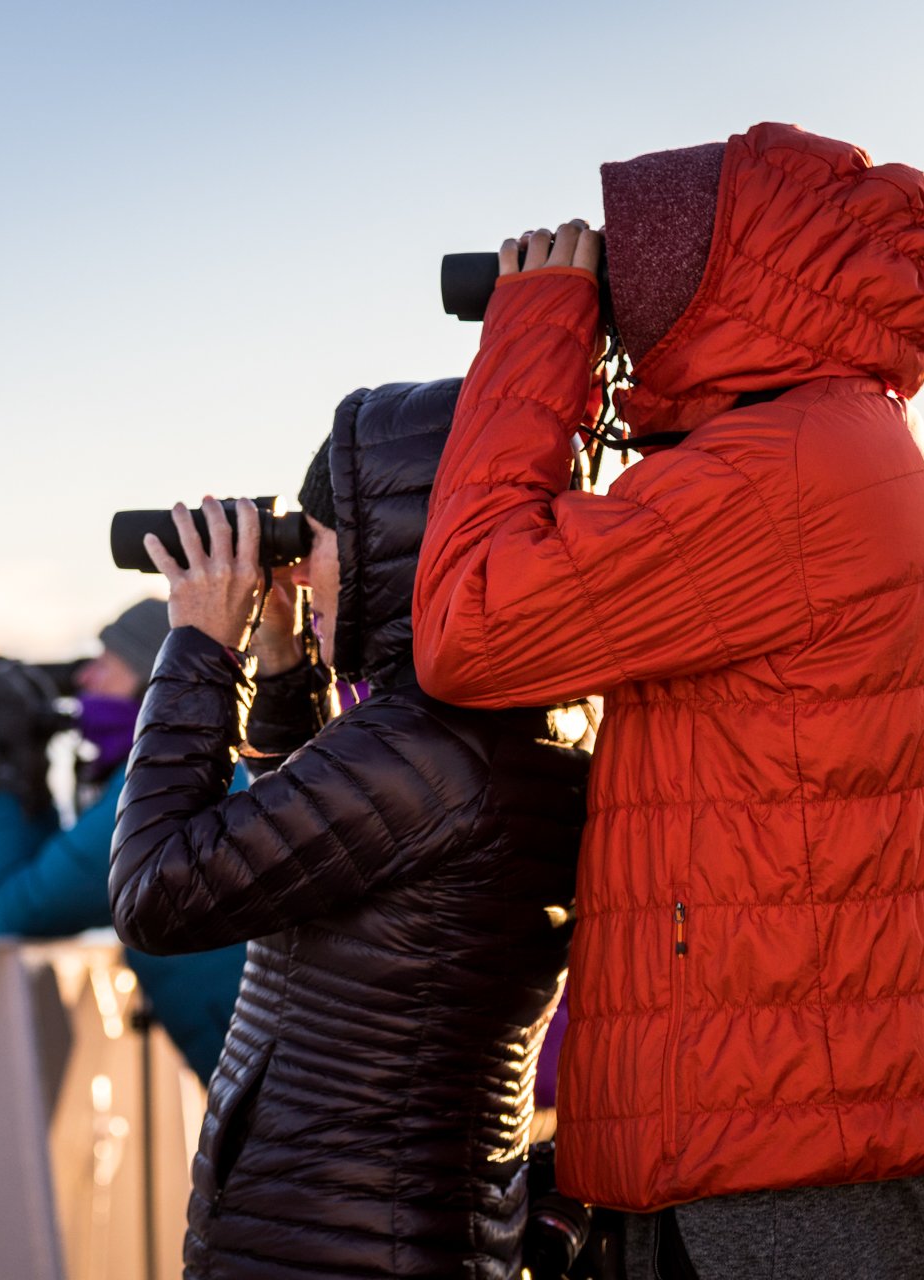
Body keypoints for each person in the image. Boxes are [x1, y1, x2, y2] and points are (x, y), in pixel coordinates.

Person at [412, 123, 924, 1278]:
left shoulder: (786, 470)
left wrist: (537, 331)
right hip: (781, 1135)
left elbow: (470, 627)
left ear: (720, 285)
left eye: (639, 266)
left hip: (782, 1170)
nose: (618, 293)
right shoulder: (835, 441)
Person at [110, 383, 588, 1280]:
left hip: (340, 1244)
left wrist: (201, 651)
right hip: (384, 1228)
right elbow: (325, 857)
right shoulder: (507, 728)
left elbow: (158, 893)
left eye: (317, 544)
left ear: (388, 552)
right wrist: (286, 672)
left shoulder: (433, 745)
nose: (300, 570)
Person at [0, 599, 247, 1082]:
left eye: (107, 663)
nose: (85, 680)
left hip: (271, 1074)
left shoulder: (169, 783)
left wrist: (1, 774)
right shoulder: (222, 762)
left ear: (156, 683)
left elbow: (20, 908)